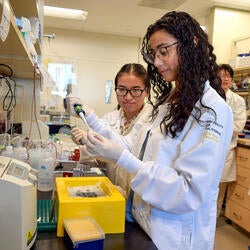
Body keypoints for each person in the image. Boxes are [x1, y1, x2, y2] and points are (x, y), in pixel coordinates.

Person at [79, 11, 233, 250]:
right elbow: (132, 144)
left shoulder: (213, 110)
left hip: (175, 237)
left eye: (164, 51)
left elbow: (187, 191)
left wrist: (122, 158)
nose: (157, 61)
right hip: (145, 224)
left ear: (191, 44)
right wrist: (92, 121)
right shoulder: (168, 102)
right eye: (154, 54)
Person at [69, 63, 152, 199]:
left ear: (147, 91)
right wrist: (86, 143)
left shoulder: (152, 122)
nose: (128, 97)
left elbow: (129, 151)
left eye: (136, 90)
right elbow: (102, 160)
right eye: (122, 89)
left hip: (139, 201)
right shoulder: (110, 118)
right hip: (112, 197)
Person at [217, 64, 246, 217]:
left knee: (220, 189)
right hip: (209, 149)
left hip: (226, 150)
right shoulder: (210, 97)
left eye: (228, 76)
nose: (225, 78)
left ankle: (213, 220)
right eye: (222, 75)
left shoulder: (238, 100)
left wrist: (218, 127)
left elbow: (239, 125)